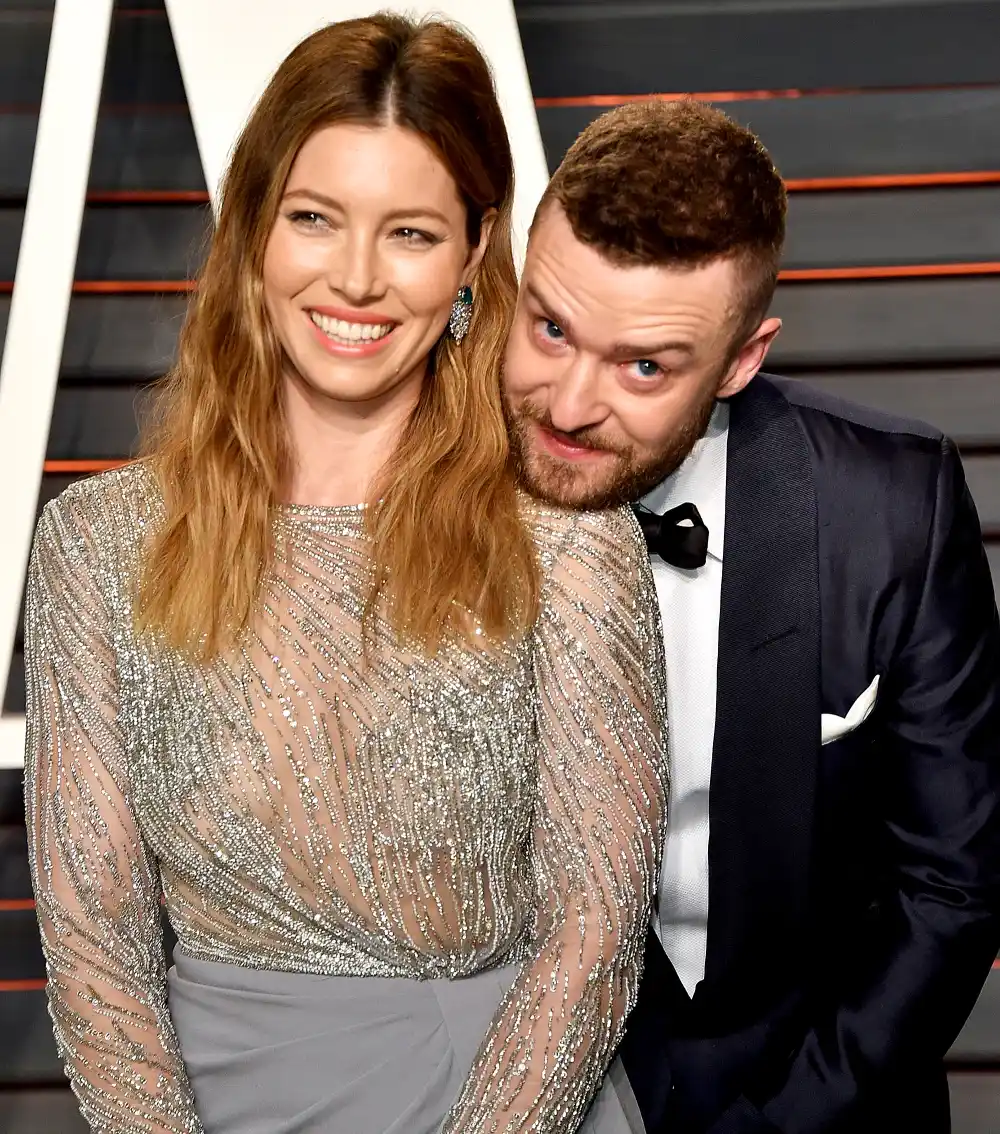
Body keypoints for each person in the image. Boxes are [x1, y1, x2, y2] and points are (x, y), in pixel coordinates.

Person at [22, 15, 667, 1134]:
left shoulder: (566, 545)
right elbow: (94, 941)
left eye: (410, 233)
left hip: (501, 1102)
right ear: (253, 234)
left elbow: (593, 929)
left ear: (473, 255)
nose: (357, 280)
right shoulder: (96, 544)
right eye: (316, 220)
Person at [502, 99, 1000, 1133]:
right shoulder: (407, 491)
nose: (567, 403)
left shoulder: (890, 505)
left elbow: (950, 885)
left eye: (644, 365)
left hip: (823, 1094)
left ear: (740, 361)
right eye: (549, 327)